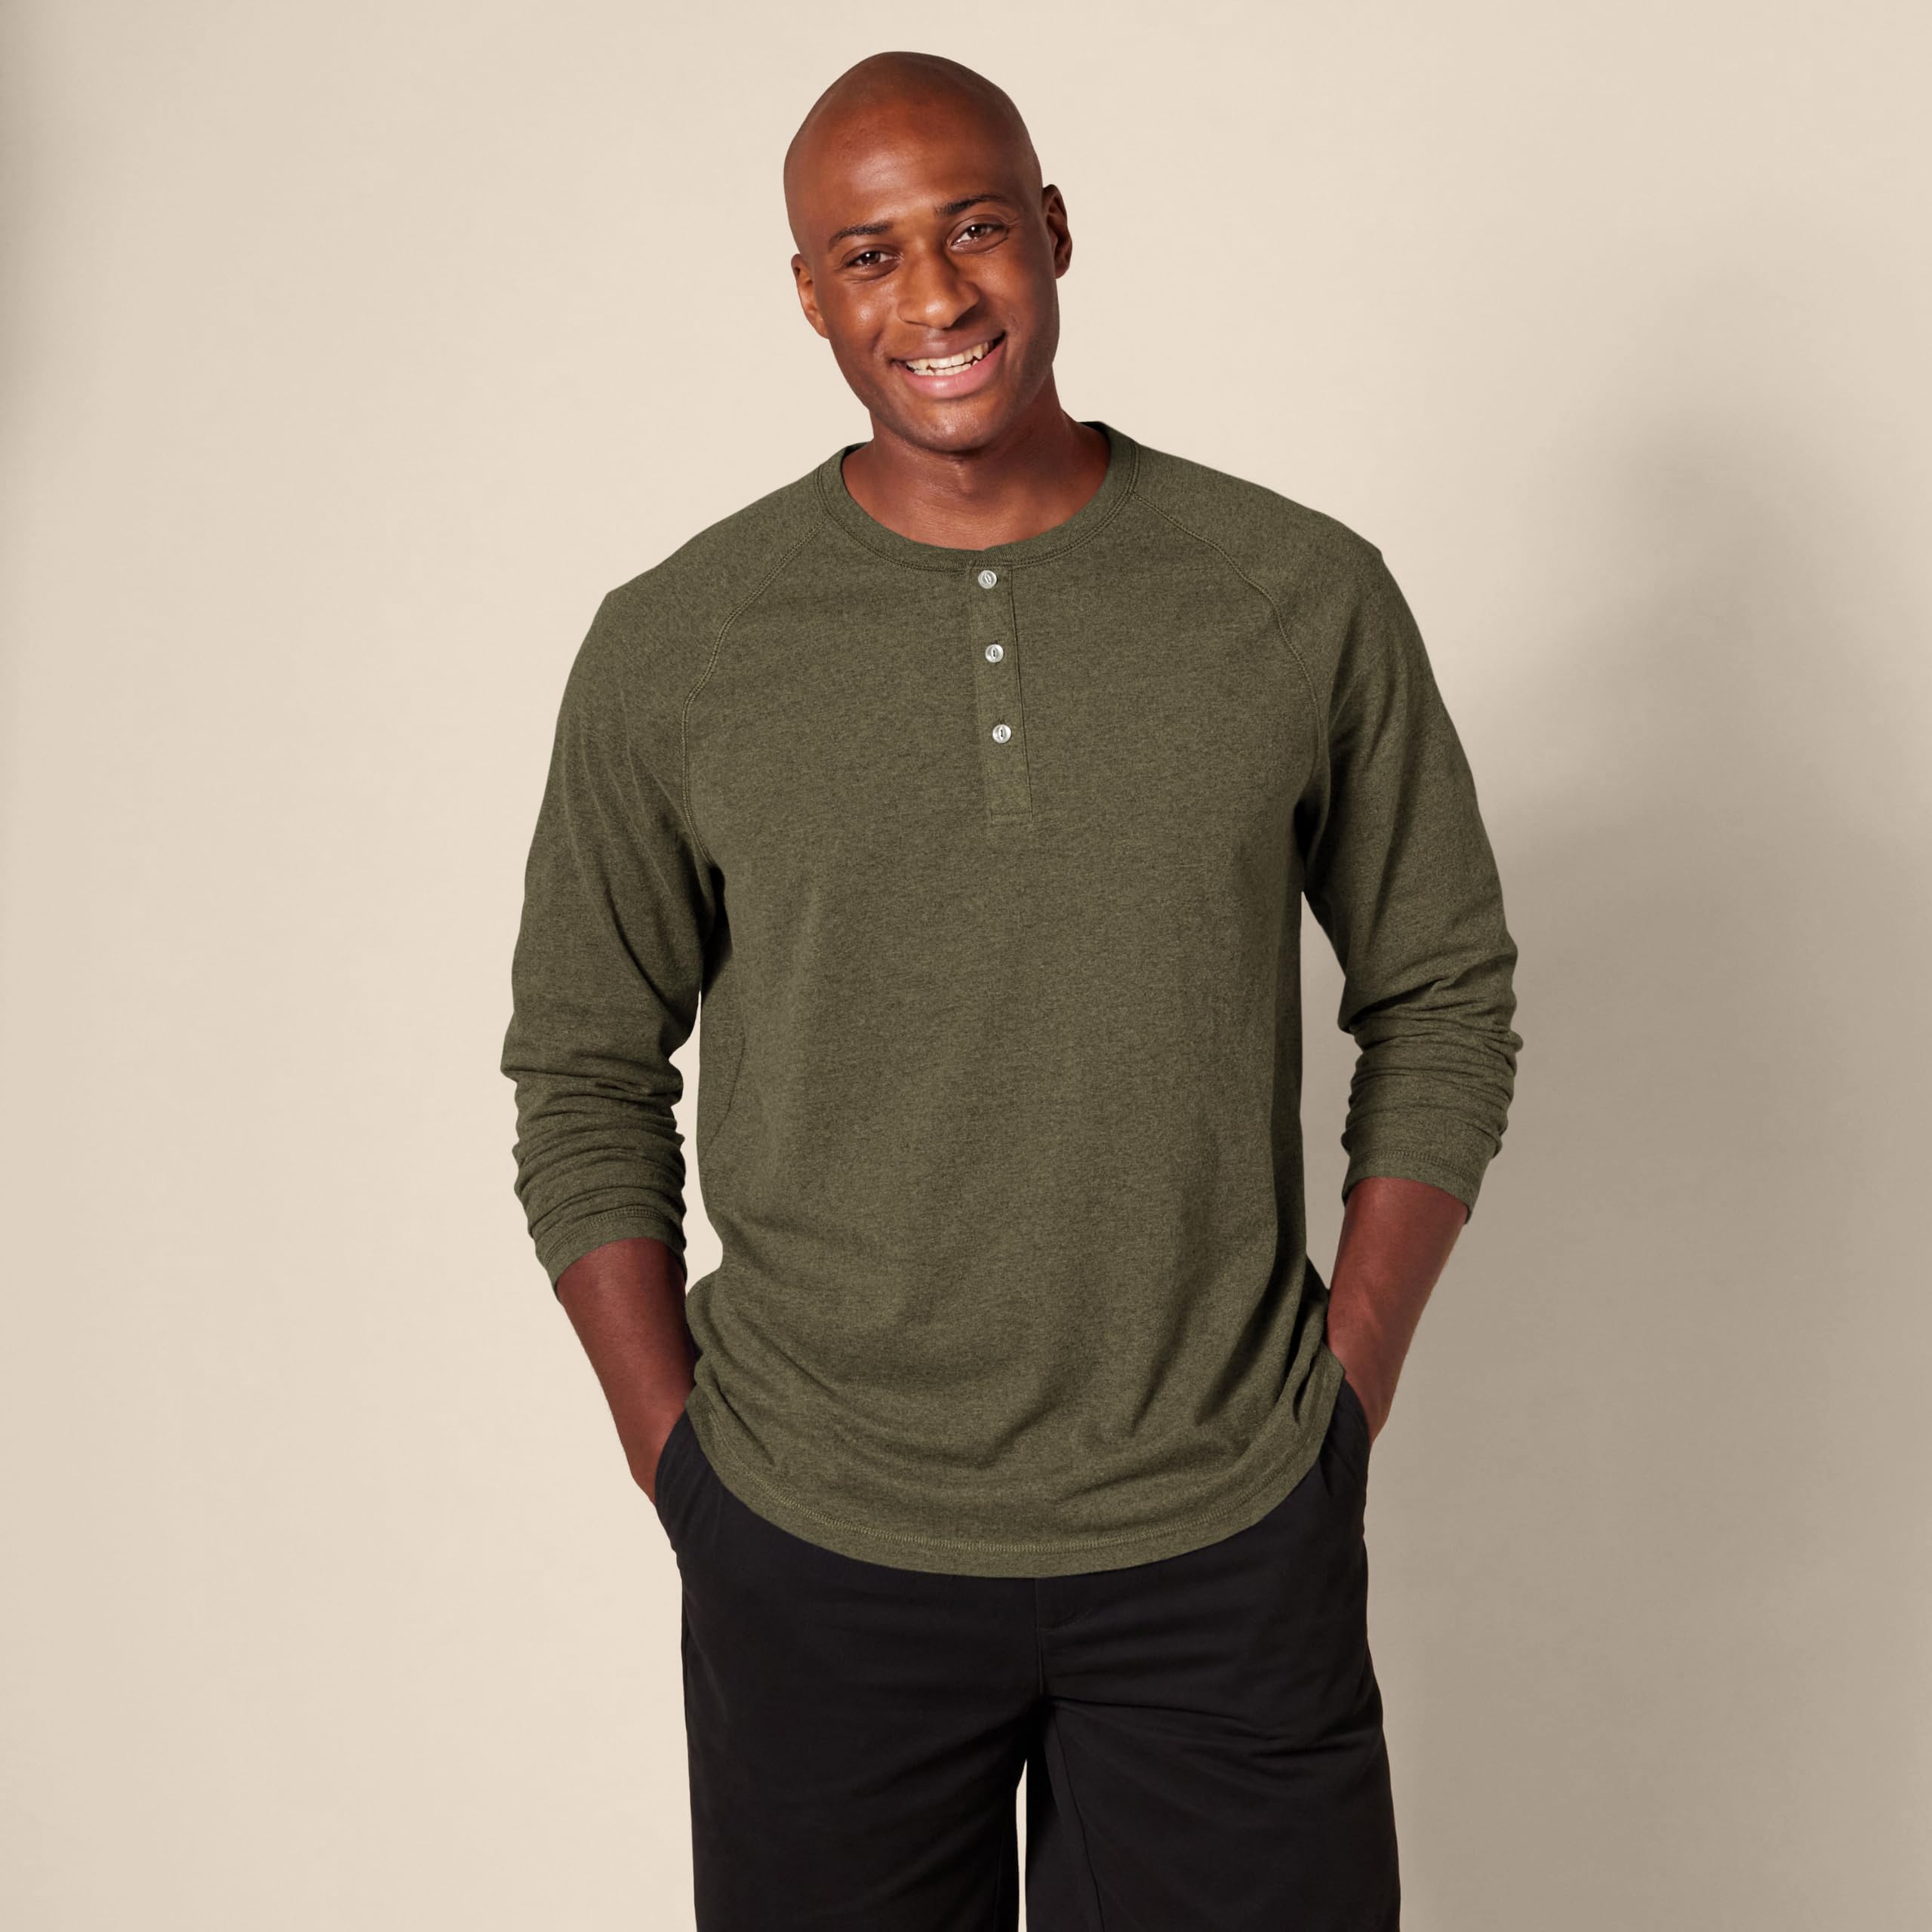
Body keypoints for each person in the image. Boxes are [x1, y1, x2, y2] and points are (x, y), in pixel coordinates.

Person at [500, 47, 1522, 1932]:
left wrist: (1339, 1403)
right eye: (867, 254)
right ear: (809, 295)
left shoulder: (1295, 592)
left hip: (1223, 1527)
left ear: (1050, 230)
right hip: (816, 1535)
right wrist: (686, 1469)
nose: (933, 295)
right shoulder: (677, 644)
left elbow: (1441, 990)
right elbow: (580, 1068)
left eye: (971, 228)